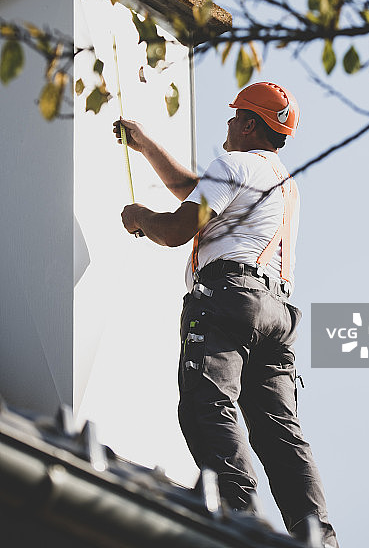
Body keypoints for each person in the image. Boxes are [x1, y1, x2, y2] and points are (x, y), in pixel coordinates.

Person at [116, 81, 338, 547]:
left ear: (252, 124)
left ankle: (240, 519)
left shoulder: (235, 164)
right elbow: (194, 192)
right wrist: (147, 146)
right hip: (276, 311)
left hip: (228, 297)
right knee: (279, 431)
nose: (229, 122)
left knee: (206, 403)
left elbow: (180, 227)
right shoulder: (281, 182)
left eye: (236, 114)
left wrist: (140, 216)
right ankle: (316, 535)